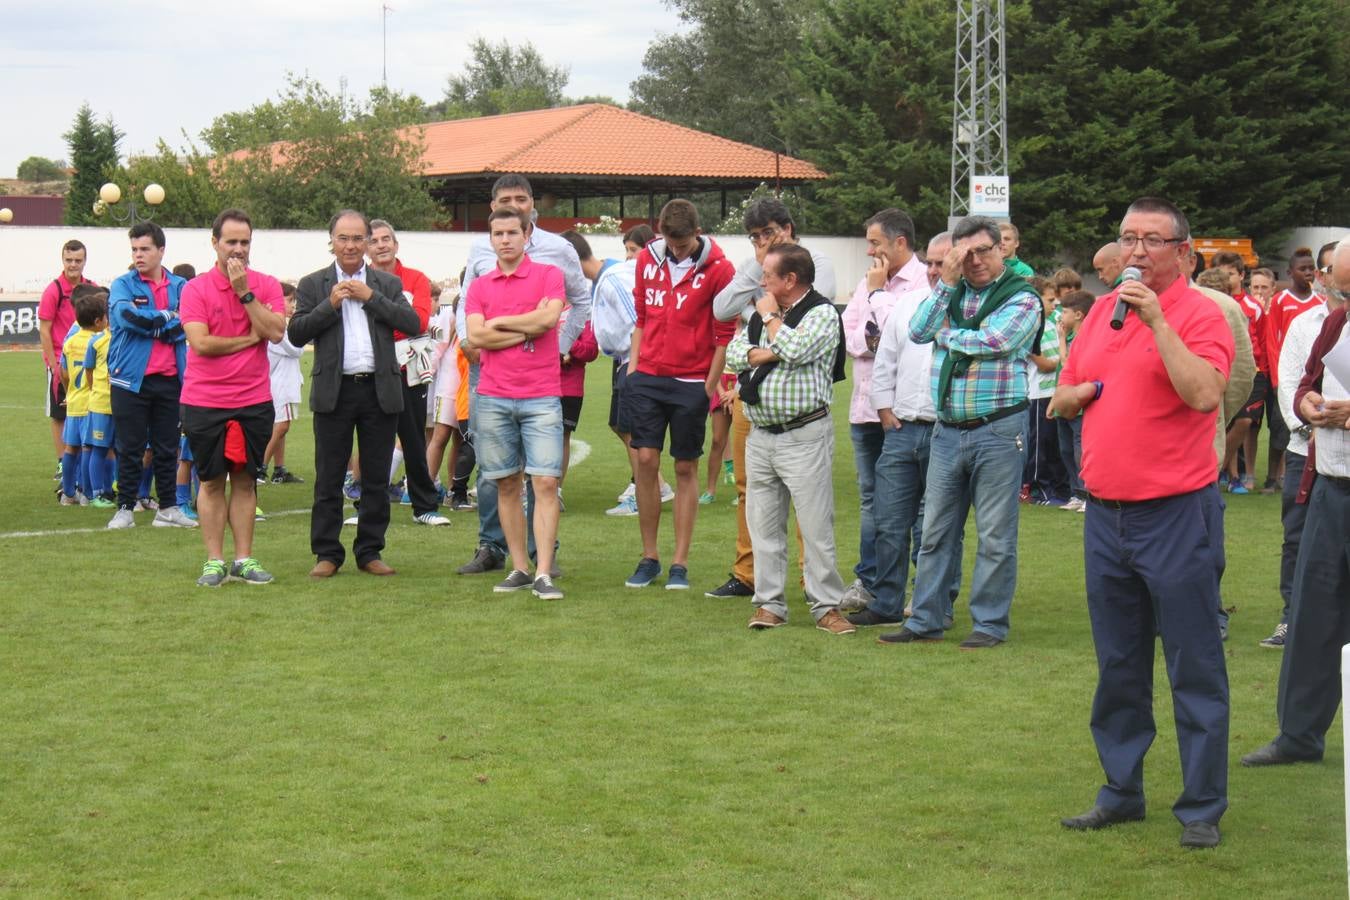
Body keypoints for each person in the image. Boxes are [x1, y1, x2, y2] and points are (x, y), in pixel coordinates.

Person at [1052, 197, 1234, 850]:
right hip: (1106, 518)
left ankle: (1202, 808)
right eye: (1127, 238)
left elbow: (1205, 394)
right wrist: (1071, 398)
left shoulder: (1200, 314)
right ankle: (1121, 792)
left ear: (1182, 253)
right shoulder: (1101, 311)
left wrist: (1158, 322)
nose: (1135, 251)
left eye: (1152, 240)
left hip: (1177, 515)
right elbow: (1066, 391)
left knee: (1194, 664)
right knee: (1119, 666)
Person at [879, 215, 1040, 649]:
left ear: (1001, 249)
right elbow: (918, 331)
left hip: (998, 429)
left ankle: (988, 625)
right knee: (934, 532)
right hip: (948, 429)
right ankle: (925, 619)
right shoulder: (952, 292)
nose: (975, 261)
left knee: (995, 536)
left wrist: (951, 337)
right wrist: (946, 286)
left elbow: (998, 342)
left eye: (983, 251)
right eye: (964, 255)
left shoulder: (1023, 297)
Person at [1241, 236, 1350, 769]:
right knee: (1313, 614)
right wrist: (1310, 403)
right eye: (1339, 288)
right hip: (1330, 485)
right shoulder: (1334, 322)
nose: (1340, 299)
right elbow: (1303, 384)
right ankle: (1299, 735)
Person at [455, 175, 591, 575]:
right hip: (488, 372)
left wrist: (559, 345)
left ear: (532, 205)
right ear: (493, 207)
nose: (513, 206)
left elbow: (578, 302)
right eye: (504, 200)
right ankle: (491, 546)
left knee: (542, 474)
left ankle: (541, 554)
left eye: (520, 199)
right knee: (493, 469)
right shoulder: (480, 248)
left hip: (539, 377)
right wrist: (471, 342)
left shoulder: (558, 250)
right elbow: (469, 304)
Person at [707, 198, 836, 597]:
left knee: (807, 499)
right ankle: (748, 574)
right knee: (750, 488)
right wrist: (758, 268)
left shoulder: (817, 263)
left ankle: (807, 578)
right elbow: (721, 309)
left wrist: (766, 333)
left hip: (798, 396)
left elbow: (809, 323)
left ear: (788, 228)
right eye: (755, 236)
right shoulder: (756, 272)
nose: (762, 241)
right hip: (755, 395)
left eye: (769, 233)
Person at [726, 244, 852, 634]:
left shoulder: (822, 313)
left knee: (815, 528)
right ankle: (769, 605)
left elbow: (796, 349)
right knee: (763, 526)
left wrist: (769, 323)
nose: (761, 281)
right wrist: (769, 350)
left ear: (790, 280)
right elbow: (734, 355)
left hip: (805, 433)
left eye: (768, 275)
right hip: (761, 435)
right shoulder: (758, 315)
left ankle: (827, 607)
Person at [288, 209, 421, 578]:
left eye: (357, 238)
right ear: (331, 241)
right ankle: (327, 554)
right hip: (335, 390)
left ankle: (369, 551)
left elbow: (412, 323)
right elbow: (297, 333)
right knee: (329, 476)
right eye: (343, 238)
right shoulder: (314, 283)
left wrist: (370, 297)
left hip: (379, 390)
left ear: (367, 242)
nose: (350, 245)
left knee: (376, 477)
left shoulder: (386, 283)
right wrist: (329, 305)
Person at [624, 199, 736, 590]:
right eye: (671, 243)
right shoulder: (645, 261)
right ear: (661, 234)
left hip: (692, 381)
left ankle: (679, 563)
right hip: (648, 377)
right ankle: (649, 555)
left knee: (685, 467)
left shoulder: (721, 269)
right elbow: (640, 317)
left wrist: (708, 387)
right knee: (646, 459)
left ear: (697, 232)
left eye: (684, 245)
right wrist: (635, 368)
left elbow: (725, 334)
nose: (677, 251)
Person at [848, 232, 957, 627]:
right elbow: (886, 358)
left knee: (937, 525)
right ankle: (887, 602)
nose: (932, 270)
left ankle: (936, 604)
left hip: (947, 431)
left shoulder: (968, 307)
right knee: (889, 520)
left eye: (942, 263)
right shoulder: (909, 304)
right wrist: (884, 409)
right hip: (902, 428)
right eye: (929, 262)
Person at [178, 209, 287, 587]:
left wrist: (245, 293)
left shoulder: (266, 285)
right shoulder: (195, 289)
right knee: (210, 482)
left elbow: (274, 331)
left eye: (244, 242)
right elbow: (201, 343)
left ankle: (244, 558)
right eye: (231, 242)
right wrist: (245, 340)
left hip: (253, 399)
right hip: (204, 400)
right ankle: (214, 561)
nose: (238, 250)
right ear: (215, 243)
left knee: (245, 481)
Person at [465, 206, 567, 599]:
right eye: (498, 234)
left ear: (527, 235)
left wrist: (500, 324)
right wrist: (527, 327)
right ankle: (520, 568)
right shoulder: (480, 286)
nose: (505, 240)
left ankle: (544, 572)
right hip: (493, 396)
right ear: (490, 239)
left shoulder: (548, 275)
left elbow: (549, 321)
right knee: (506, 482)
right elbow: (476, 338)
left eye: (512, 232)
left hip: (541, 395)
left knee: (544, 481)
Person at [837, 208, 928, 611]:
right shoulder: (869, 280)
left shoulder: (923, 282)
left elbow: (902, 334)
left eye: (875, 242)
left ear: (900, 243)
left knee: (917, 500)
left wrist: (877, 298)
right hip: (864, 409)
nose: (869, 250)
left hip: (903, 410)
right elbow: (852, 334)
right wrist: (874, 333)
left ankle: (920, 584)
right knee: (872, 498)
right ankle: (870, 580)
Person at [1260, 251, 1345, 648]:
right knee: (1298, 537)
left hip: (1337, 455)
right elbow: (1292, 382)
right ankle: (1291, 618)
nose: (1322, 275)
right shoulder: (1307, 324)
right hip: (1304, 450)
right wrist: (1305, 417)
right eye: (1329, 271)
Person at [105, 223, 194, 529]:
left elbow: (187, 322)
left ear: (161, 251)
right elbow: (126, 318)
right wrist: (167, 319)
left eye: (144, 249)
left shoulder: (181, 285)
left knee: (167, 446)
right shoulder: (122, 284)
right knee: (130, 447)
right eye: (134, 249)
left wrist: (163, 322)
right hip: (129, 379)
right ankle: (126, 508)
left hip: (170, 379)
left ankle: (168, 508)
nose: (138, 255)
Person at [368, 218, 450, 527]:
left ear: (396, 244)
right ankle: (369, 504)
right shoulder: (361, 279)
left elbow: (417, 321)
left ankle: (424, 505)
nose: (381, 245)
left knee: (414, 436)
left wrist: (386, 317)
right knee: (373, 437)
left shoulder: (416, 278)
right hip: (372, 366)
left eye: (386, 239)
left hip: (409, 367)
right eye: (374, 240)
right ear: (366, 247)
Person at [594, 224, 667, 516]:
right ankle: (652, 485)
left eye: (633, 250)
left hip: (638, 362)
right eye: (626, 250)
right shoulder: (627, 278)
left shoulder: (646, 281)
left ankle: (646, 489)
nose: (628, 257)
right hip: (624, 359)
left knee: (636, 432)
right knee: (622, 426)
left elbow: (639, 321)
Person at [1264, 247, 1324, 491]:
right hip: (1286, 379)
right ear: (1290, 273)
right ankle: (1272, 476)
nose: (1307, 273)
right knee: (1280, 429)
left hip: (1311, 382)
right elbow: (1271, 338)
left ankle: (1300, 476)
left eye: (1311, 268)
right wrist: (1278, 379)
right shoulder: (1280, 300)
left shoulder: (1320, 302)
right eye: (1303, 268)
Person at [39, 240, 96, 481]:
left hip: (90, 361)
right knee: (60, 414)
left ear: (84, 261)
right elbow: (44, 330)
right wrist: (53, 365)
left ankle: (84, 459)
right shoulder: (54, 289)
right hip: (62, 363)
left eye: (78, 260)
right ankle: (63, 462)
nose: (73, 265)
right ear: (62, 260)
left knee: (88, 410)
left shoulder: (91, 288)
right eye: (69, 260)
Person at [57, 287, 106, 504]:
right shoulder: (97, 341)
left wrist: (69, 391)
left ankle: (68, 494)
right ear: (99, 320)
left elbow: (63, 373)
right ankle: (88, 492)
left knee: (70, 447)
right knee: (89, 447)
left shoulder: (70, 342)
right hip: (92, 402)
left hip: (74, 399)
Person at [1052, 290, 1097, 513]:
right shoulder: (1070, 335)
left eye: (1065, 311)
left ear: (1078, 315)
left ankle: (1089, 494)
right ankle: (1076, 493)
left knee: (1082, 451)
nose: (1061, 316)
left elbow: (1069, 363)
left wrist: (1061, 340)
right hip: (1063, 403)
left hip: (1079, 406)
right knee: (1066, 450)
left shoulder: (1087, 337)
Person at [259, 283, 304, 485]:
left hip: (282, 383)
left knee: (281, 428)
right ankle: (261, 467)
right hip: (281, 386)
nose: (293, 305)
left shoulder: (280, 327)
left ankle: (279, 469)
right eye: (289, 300)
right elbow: (296, 350)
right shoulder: (277, 329)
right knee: (281, 427)